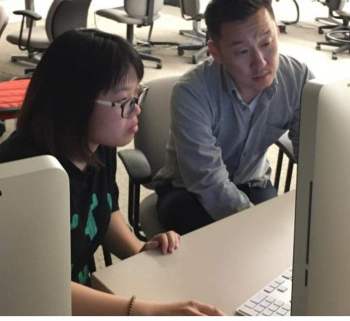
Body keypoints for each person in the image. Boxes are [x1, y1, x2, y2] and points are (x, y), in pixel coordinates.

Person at [0, 29, 224, 316]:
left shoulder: (96, 142)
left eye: (137, 95)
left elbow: (104, 213)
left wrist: (140, 251)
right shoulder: (24, 177)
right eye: (123, 101)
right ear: (75, 103)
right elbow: (36, 287)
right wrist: (141, 311)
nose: (136, 110)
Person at [153, 0, 315, 235]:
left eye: (266, 43)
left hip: (252, 182)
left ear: (277, 33)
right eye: (242, 51)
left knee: (284, 236)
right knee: (223, 241)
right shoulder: (191, 92)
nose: (260, 62)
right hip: (187, 190)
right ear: (215, 53)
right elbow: (207, 181)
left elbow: (314, 153)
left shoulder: (298, 77)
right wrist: (254, 224)